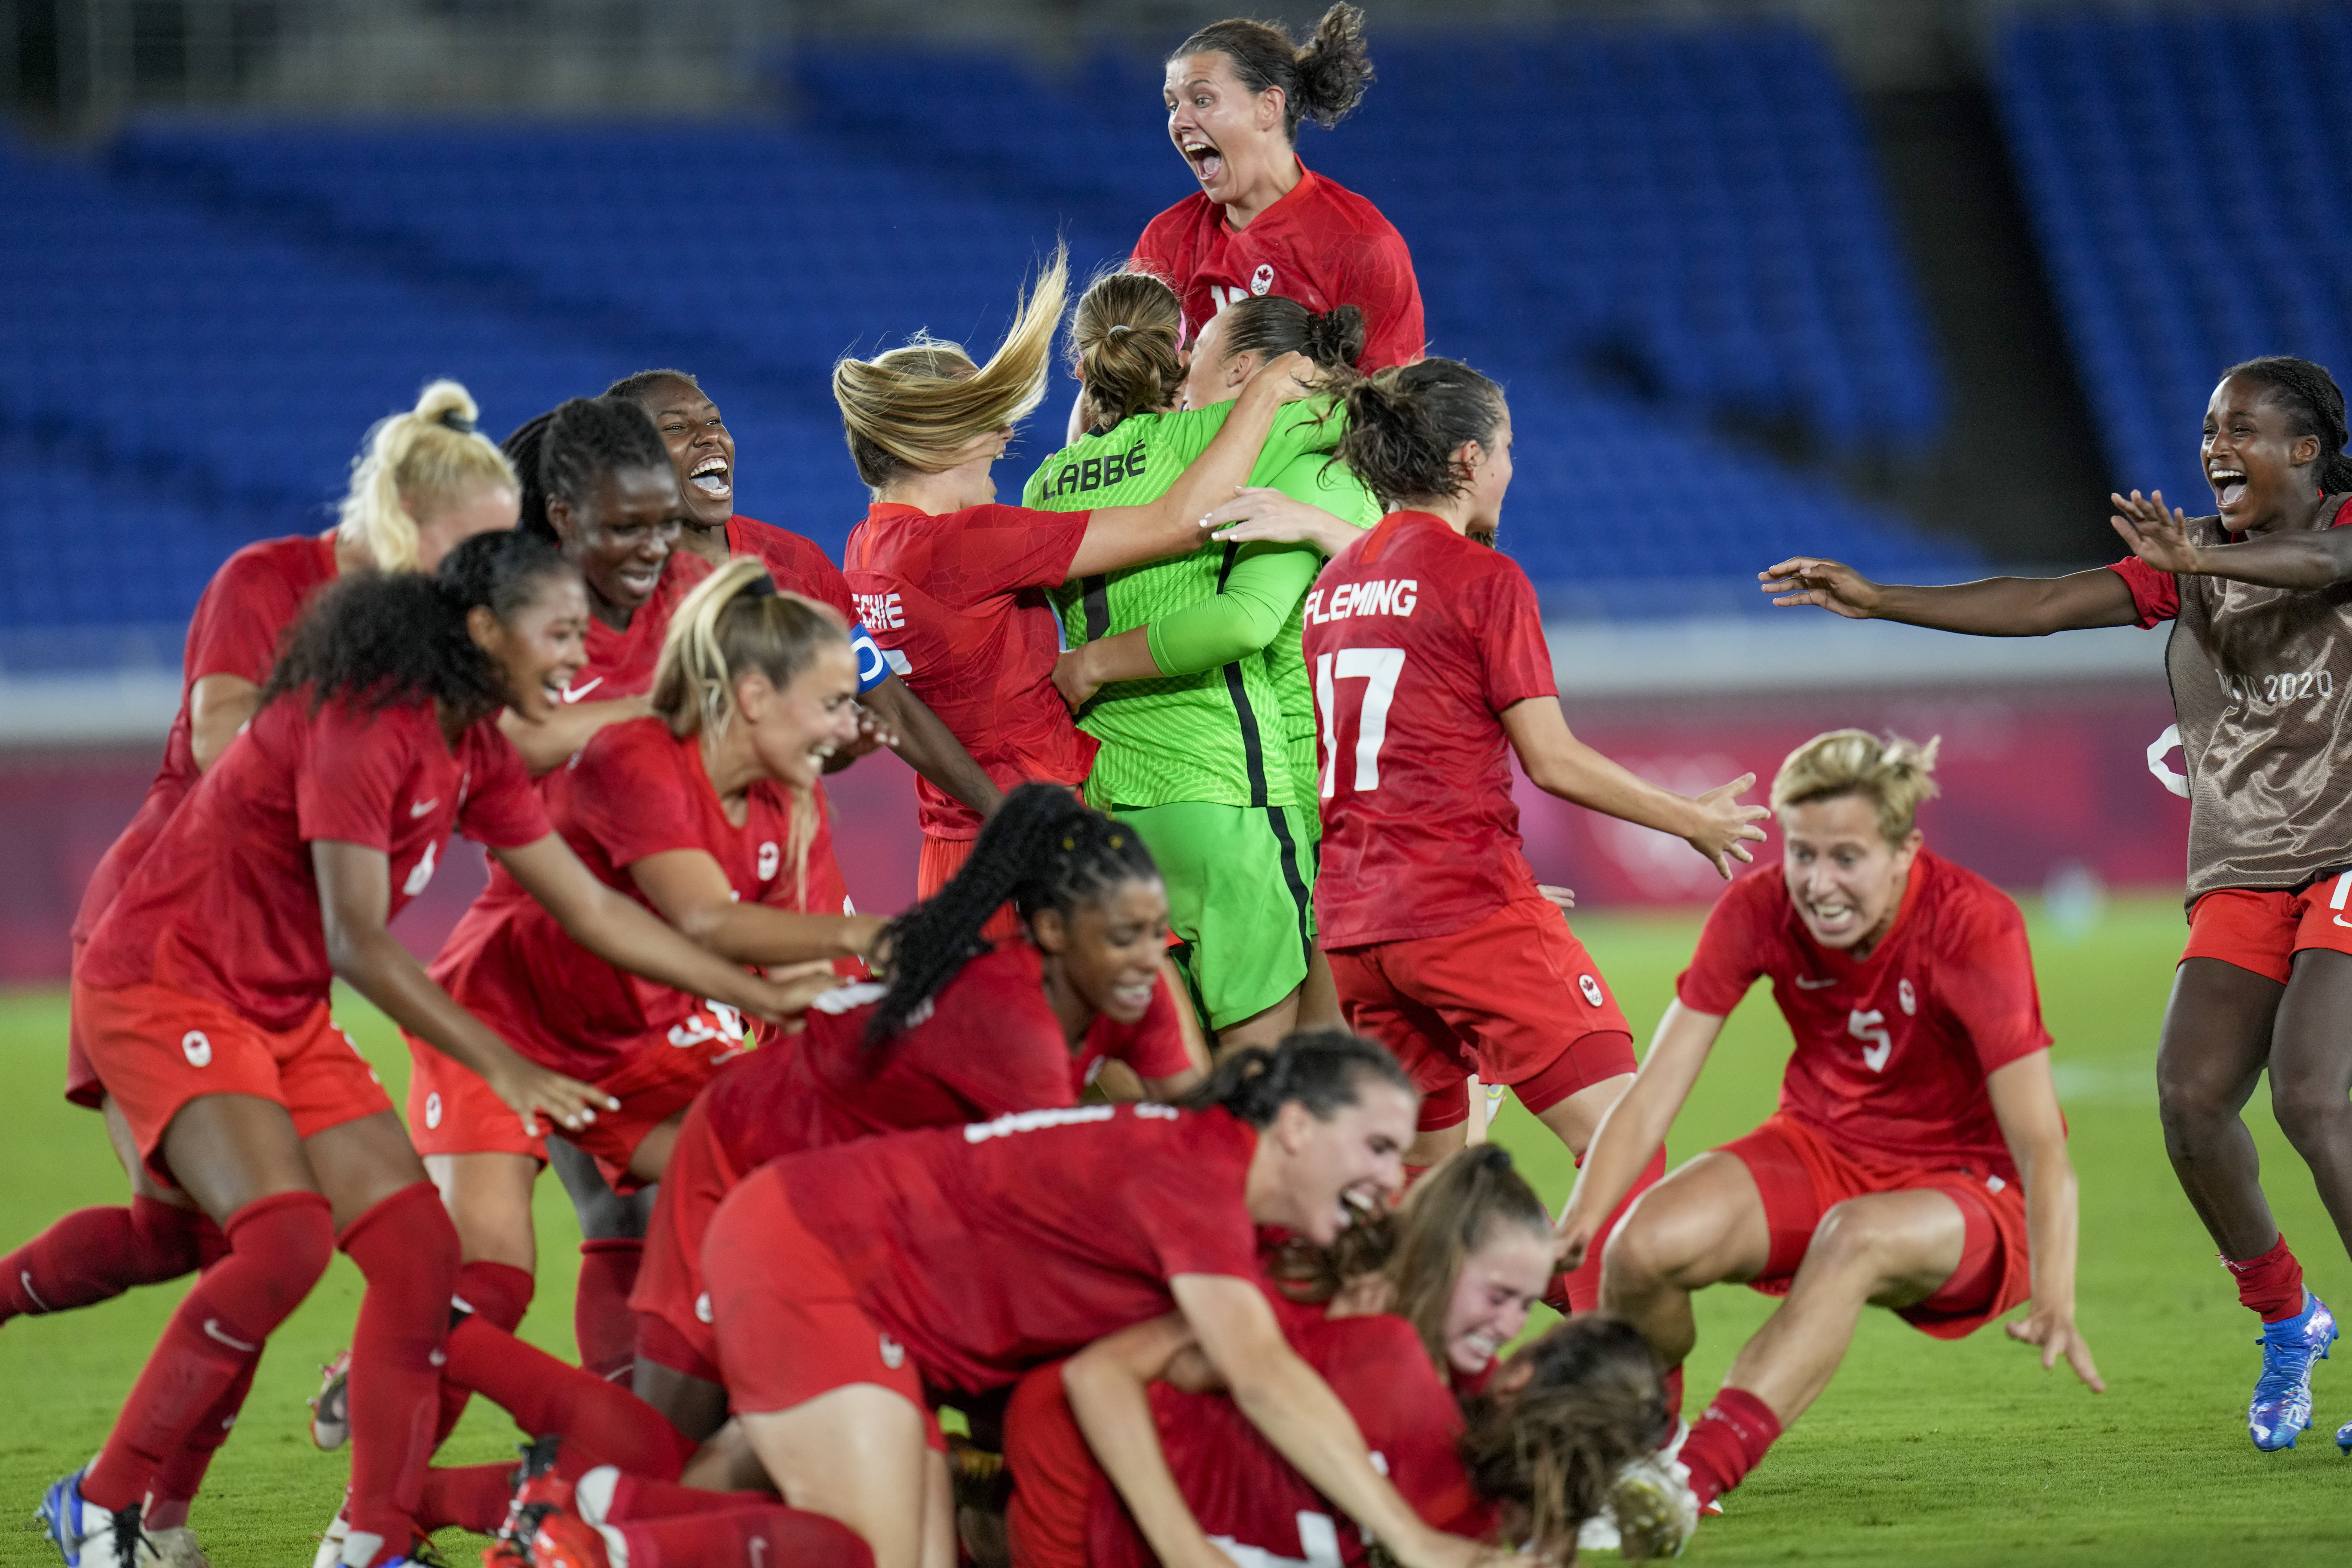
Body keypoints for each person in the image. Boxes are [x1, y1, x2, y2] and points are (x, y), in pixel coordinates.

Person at [43, 532, 810, 1568]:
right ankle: (106, 1502)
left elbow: (587, 907)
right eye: (560, 636)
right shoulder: (369, 729)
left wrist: (765, 997)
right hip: (175, 977)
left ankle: (374, 1536)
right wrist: (503, 1064)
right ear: (485, 631)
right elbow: (358, 939)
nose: (574, 658)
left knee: (410, 1255)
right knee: (279, 1245)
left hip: (285, 1003)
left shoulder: (478, 748)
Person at [1759, 354, 2352, 1452]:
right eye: (2209, 425)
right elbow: (2038, 604)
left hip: (2349, 855)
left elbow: (2326, 561)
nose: (2215, 443)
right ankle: (2287, 1318)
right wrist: (1878, 598)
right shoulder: (2195, 564)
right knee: (2189, 1103)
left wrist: (2209, 562)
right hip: (2241, 866)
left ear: (2307, 452)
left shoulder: (2328, 535)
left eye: (2243, 427)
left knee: (2316, 1098)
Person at [1, 380, 518, 1567]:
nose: (481, 574)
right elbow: (235, 738)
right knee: (257, 1241)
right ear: (400, 516)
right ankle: (128, 1506)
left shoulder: (442, 648)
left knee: (190, 1240)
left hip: (278, 965)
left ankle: (320, 1529)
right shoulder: (272, 583)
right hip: (174, 926)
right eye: (469, 549)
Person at [1214, 357, 1765, 1314]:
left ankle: (1415, 1403)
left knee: (1429, 1191)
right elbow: (1549, 758)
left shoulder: (1338, 583)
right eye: (1507, 448)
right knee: (1625, 1136)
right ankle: (1634, 1417)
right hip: (1460, 909)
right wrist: (1690, 819)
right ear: (1470, 459)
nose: (1514, 466)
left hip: (1360, 934)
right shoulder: (1485, 579)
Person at [585, 1032, 1481, 1568]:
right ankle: (585, 1537)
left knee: (871, 1530)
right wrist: (1409, 1535)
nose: (1382, 1174)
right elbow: (1265, 1378)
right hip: (819, 1260)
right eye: (1373, 1146)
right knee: (873, 1554)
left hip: (827, 1255)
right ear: (1294, 1128)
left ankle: (589, 1523)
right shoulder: (1200, 1183)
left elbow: (1120, 1373)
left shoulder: (1208, 1172)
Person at [1558, 730, 2099, 1552]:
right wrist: (1581, 1224)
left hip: (1971, 1193)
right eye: (1802, 855)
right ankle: (1648, 1443)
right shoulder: (1759, 907)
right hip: (1819, 1147)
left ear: (1904, 851)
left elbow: (2041, 1147)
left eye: (1846, 857)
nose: (1817, 883)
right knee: (1640, 1247)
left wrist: (2056, 1293)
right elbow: (1648, 1102)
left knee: (1855, 1236)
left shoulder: (1974, 925)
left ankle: (1688, 1484)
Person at [388, 559, 886, 1434]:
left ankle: (631, 1456)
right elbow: (708, 921)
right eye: (836, 703)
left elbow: (792, 967)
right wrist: (864, 940)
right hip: (501, 1026)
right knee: (494, 1282)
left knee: (770, 1176)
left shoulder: (788, 802)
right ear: (758, 697)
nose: (853, 730)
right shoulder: (639, 763)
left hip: (628, 1039)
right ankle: (370, 1522)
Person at [630, 782, 1204, 1443]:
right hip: (747, 1151)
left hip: (864, 1189)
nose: (1147, 960)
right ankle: (560, 1509)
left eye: (1155, 935)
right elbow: (1046, 1226)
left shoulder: (1128, 983)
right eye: (1127, 936)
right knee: (674, 1440)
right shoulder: (1011, 1020)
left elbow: (1202, 1137)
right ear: (1052, 931)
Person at [833, 247, 1321, 920]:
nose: (1007, 435)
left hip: (952, 850)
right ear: (937, 438)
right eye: (988, 417)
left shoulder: (868, 550)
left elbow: (893, 709)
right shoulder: (973, 542)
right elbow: (1180, 522)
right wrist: (1267, 392)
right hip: (1038, 840)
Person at [1028, 272, 1377, 1055]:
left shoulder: (1044, 482)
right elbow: (1386, 413)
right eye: (1184, 351)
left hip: (1110, 801)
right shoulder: (1236, 444)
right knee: (1274, 1085)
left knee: (1158, 1077)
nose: (1189, 368)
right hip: (1236, 798)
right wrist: (1314, 377)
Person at [1000, 1141, 1569, 1568]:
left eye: (1527, 1305)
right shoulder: (1307, 1297)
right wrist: (1188, 1553)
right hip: (1081, 1463)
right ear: (1439, 1264)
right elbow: (1100, 1377)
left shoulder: (1448, 1355)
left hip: (1179, 1490)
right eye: (1499, 1298)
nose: (1511, 1326)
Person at [606, 367, 1002, 820]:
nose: (708, 438)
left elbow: (890, 703)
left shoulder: (797, 564)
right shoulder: (609, 592)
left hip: (793, 860)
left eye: (714, 421)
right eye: (676, 428)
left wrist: (1004, 814)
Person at [1137, 5, 1423, 374]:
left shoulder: (1361, 244)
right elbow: (1130, 398)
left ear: (1269, 107)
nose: (1178, 121)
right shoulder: (1165, 241)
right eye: (1172, 105)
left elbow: (1390, 411)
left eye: (1202, 100)